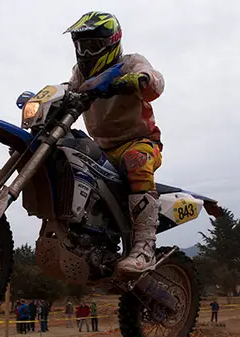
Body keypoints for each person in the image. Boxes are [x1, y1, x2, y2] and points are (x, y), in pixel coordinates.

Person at [65, 11, 165, 275]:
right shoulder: (80, 74)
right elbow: (69, 90)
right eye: (82, 46)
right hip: (102, 149)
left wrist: (141, 80)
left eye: (93, 46)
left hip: (140, 142)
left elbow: (155, 81)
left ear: (111, 43)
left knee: (135, 161)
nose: (86, 53)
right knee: (66, 153)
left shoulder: (130, 63)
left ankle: (145, 248)